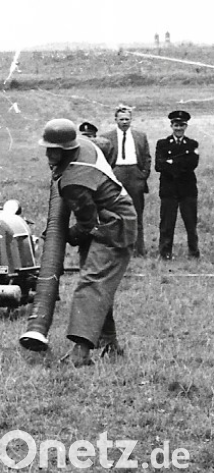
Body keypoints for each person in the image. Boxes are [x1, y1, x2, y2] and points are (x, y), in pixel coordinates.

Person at [35, 118, 135, 366]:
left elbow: (86, 225)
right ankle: (109, 342)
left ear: (67, 149)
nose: (49, 154)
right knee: (98, 280)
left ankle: (81, 351)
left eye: (54, 150)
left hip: (113, 226)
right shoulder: (84, 145)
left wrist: (63, 237)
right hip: (106, 219)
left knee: (92, 281)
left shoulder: (74, 182)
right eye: (47, 148)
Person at [98, 106, 151, 256]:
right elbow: (103, 160)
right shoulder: (106, 137)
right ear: (115, 120)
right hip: (116, 174)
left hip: (135, 175)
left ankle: (138, 249)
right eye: (121, 119)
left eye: (127, 119)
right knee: (115, 213)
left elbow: (147, 157)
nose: (124, 122)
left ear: (131, 119)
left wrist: (143, 175)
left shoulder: (140, 136)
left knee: (137, 213)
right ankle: (117, 248)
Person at [155, 110, 199, 259]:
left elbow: (192, 164)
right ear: (171, 125)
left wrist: (172, 162)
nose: (178, 128)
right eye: (176, 125)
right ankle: (165, 253)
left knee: (191, 223)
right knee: (167, 224)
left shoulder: (192, 144)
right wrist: (179, 164)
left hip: (187, 190)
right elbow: (159, 166)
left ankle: (194, 253)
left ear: (186, 126)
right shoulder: (162, 144)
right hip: (169, 189)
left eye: (181, 125)